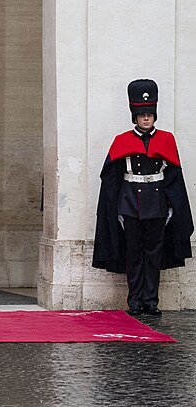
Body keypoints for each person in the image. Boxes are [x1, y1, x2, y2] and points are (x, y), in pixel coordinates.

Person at [92, 79, 193, 316]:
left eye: (149, 114)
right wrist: (116, 208)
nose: (146, 119)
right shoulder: (122, 141)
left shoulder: (166, 139)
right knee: (134, 253)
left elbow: (174, 178)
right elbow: (111, 179)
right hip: (130, 204)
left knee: (154, 254)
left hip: (157, 205)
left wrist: (173, 207)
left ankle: (151, 301)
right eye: (141, 115)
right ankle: (135, 301)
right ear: (134, 117)